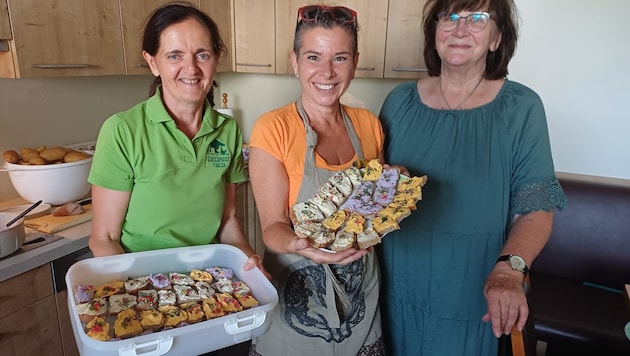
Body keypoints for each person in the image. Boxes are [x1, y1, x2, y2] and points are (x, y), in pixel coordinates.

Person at [377, 0, 567, 355]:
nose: (460, 29)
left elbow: (535, 210)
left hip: (474, 283)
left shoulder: (522, 108)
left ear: (497, 38)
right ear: (434, 33)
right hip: (398, 281)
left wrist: (509, 274)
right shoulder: (397, 102)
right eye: (449, 17)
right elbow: (376, 190)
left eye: (477, 18)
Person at [247, 5, 386, 356]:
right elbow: (273, 226)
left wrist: (391, 186)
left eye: (340, 58)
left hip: (362, 302)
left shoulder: (369, 125)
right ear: (294, 61)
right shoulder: (273, 129)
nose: (326, 71)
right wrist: (301, 245)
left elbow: (374, 213)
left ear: (355, 62)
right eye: (313, 56)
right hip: (296, 307)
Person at [88, 3, 264, 272]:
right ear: (152, 62)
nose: (191, 68)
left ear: (216, 58)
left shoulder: (228, 130)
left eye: (202, 55)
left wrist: (249, 261)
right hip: (142, 281)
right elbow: (104, 239)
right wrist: (141, 294)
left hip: (210, 278)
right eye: (174, 56)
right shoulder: (123, 130)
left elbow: (227, 221)